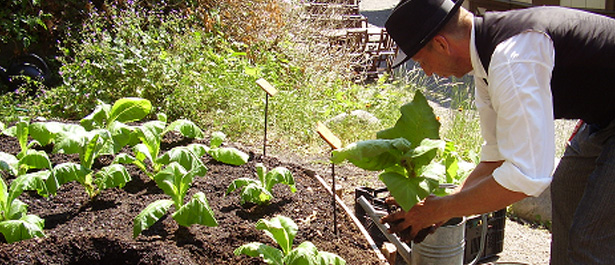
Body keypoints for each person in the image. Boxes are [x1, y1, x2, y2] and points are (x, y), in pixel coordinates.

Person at [379, 0, 615, 263]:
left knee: (590, 239)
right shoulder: (485, 59)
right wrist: (447, 206)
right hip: (604, 118)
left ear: (442, 44)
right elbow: (497, 155)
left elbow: (527, 176)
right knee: (568, 192)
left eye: (423, 61)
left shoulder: (512, 59)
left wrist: (440, 209)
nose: (428, 72)